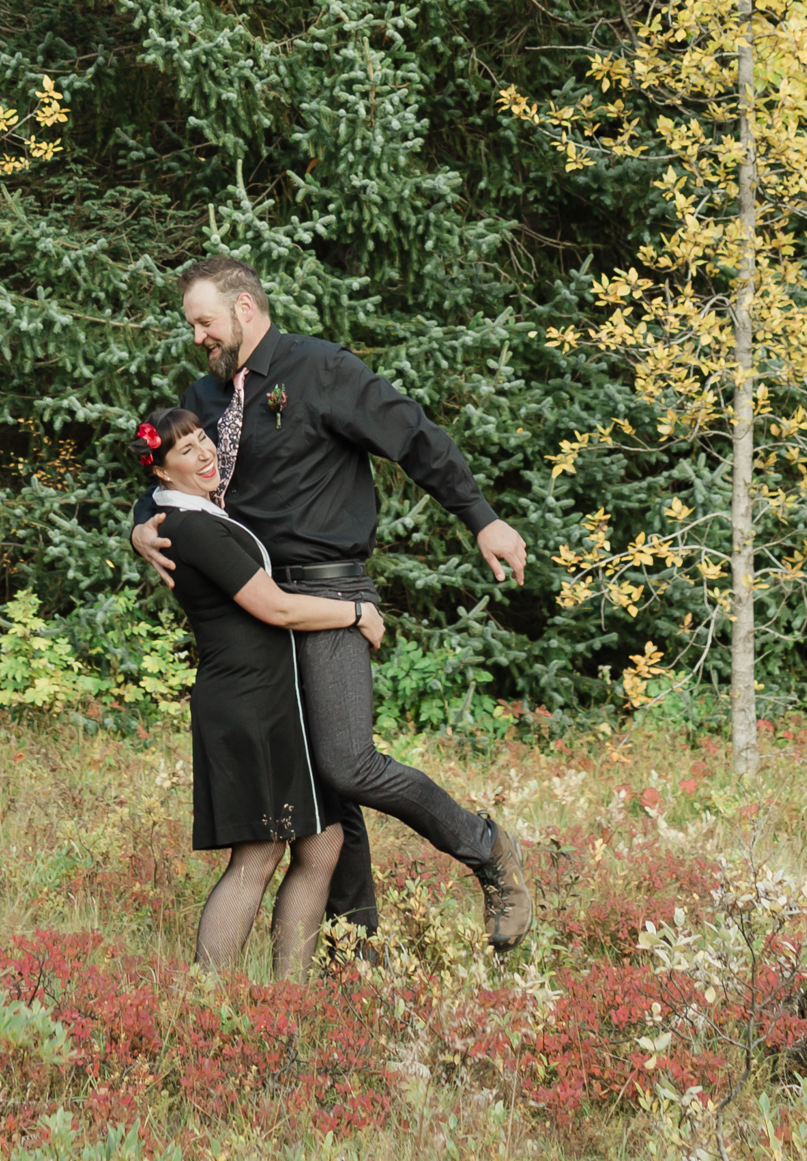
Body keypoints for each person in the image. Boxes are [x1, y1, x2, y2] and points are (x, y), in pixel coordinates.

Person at [130, 254, 535, 951]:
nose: (197, 337)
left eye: (204, 322)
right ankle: (358, 947)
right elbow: (174, 464)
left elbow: (411, 435)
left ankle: (487, 850)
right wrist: (142, 520)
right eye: (192, 325)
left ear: (245, 311)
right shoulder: (210, 393)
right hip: (253, 606)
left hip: (326, 588)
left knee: (346, 763)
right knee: (323, 794)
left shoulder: (321, 371)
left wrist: (482, 518)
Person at [129, 406, 387, 980]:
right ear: (162, 474)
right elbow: (275, 606)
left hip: (273, 701)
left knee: (321, 846)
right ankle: (206, 998)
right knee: (259, 854)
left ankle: (286, 1000)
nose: (203, 453)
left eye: (202, 440)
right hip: (246, 705)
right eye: (185, 451)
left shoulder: (194, 515)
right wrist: (355, 612)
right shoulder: (190, 527)